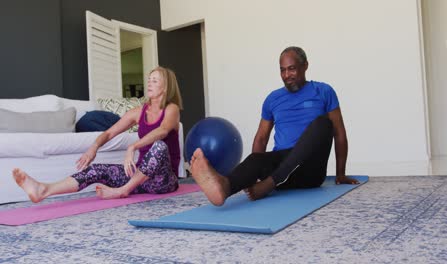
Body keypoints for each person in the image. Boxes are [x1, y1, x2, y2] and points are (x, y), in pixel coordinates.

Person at [190, 46, 359, 206]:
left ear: (305, 66)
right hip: (283, 166)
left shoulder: (323, 91)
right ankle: (224, 187)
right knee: (256, 158)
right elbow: (262, 138)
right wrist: (252, 175)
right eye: (282, 70)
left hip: (310, 171)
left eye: (291, 68)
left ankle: (270, 183)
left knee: (323, 124)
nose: (287, 75)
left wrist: (341, 174)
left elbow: (339, 133)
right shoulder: (273, 98)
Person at [12, 66, 183, 203]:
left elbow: (162, 131)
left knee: (159, 146)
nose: (149, 84)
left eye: (154, 80)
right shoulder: (137, 112)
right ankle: (43, 190)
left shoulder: (172, 109)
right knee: (96, 169)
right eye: (149, 80)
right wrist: (93, 147)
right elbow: (109, 133)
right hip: (140, 179)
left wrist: (133, 146)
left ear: (166, 86)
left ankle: (123, 191)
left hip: (164, 180)